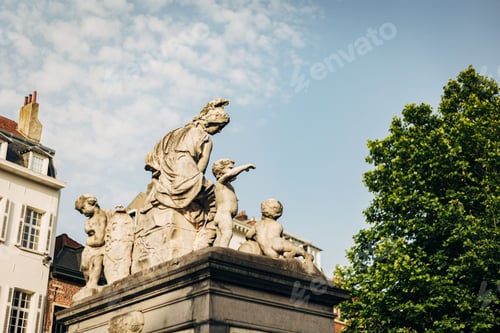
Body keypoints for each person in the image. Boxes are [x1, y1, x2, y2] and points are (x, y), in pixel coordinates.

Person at [132, 98, 231, 272]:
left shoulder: (174, 133)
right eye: (220, 127)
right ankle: (205, 241)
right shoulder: (205, 138)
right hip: (185, 174)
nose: (220, 131)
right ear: (212, 122)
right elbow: (200, 169)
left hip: (164, 179)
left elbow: (153, 159)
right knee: (216, 206)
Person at [245, 199, 313, 262]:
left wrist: (258, 238)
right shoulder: (278, 225)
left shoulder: (257, 224)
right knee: (292, 247)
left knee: (278, 257)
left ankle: (286, 255)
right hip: (276, 243)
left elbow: (248, 235)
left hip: (266, 250)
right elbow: (280, 237)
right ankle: (304, 254)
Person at [212, 158, 255, 247]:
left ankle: (218, 252)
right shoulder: (221, 182)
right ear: (220, 171)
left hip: (223, 216)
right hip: (224, 215)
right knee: (227, 234)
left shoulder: (228, 186)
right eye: (230, 168)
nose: (233, 170)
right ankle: (222, 254)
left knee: (219, 239)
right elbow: (229, 175)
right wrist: (244, 167)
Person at [73, 194, 107, 301]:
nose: (83, 212)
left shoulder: (101, 217)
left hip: (99, 249)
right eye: (81, 210)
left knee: (97, 264)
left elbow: (100, 239)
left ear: (92, 203)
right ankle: (88, 284)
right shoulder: (89, 220)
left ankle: (93, 283)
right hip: (89, 248)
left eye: (83, 208)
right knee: (85, 267)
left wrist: (90, 239)